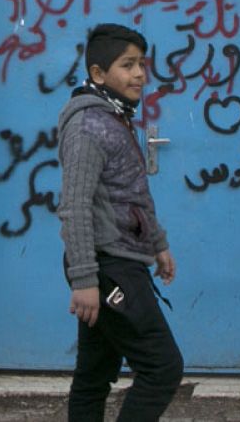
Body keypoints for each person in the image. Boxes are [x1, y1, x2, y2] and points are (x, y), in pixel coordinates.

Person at [57, 23, 183, 422]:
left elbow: (132, 193)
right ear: (98, 74)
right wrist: (84, 280)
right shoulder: (87, 125)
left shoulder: (115, 118)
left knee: (93, 376)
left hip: (118, 261)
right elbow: (74, 206)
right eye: (127, 65)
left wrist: (158, 244)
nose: (140, 74)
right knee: (163, 368)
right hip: (107, 268)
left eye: (141, 64)